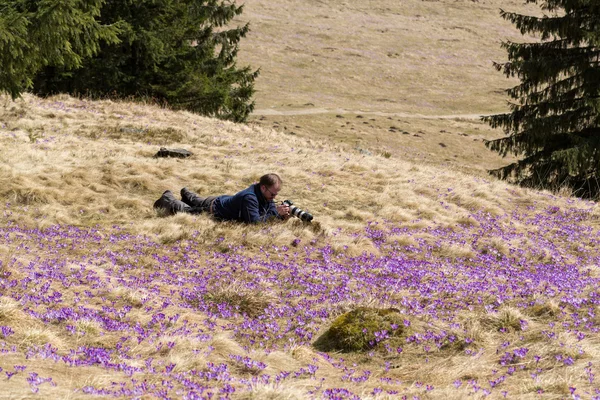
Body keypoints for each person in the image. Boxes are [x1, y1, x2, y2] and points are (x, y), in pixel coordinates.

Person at [153, 173, 291, 223]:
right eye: (273, 194)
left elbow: (269, 209)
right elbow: (254, 223)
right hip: (215, 210)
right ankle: (167, 197)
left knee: (198, 200)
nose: (274, 197)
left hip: (222, 200)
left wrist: (280, 215)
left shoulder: (263, 193)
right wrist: (275, 214)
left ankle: (186, 193)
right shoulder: (250, 198)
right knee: (184, 210)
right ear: (263, 187)